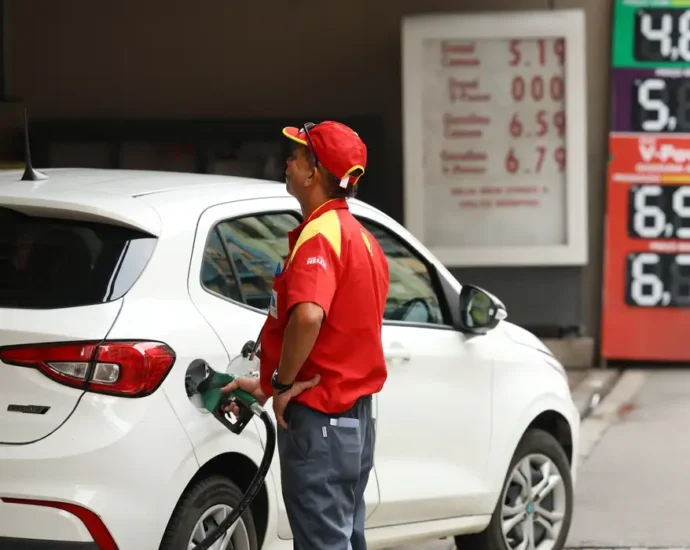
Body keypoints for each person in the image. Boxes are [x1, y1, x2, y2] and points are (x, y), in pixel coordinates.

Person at [221, 120, 390, 550]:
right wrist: (266, 385)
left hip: (321, 423)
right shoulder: (363, 240)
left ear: (314, 174)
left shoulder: (319, 237)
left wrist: (281, 383)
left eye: (296, 156)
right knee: (343, 539)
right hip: (353, 422)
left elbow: (310, 317)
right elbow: (338, 337)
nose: (288, 162)